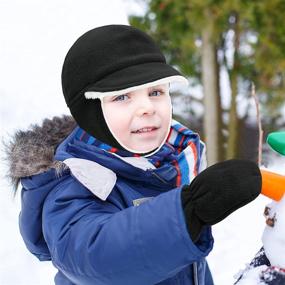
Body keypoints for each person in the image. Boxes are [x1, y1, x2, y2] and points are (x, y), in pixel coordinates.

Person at [5, 24, 262, 285]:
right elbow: (95, 257)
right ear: (89, 112)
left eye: (155, 92)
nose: (147, 107)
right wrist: (189, 211)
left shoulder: (168, 164)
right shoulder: (72, 184)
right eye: (122, 97)